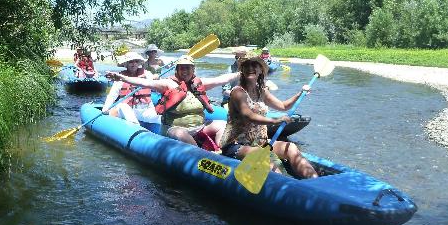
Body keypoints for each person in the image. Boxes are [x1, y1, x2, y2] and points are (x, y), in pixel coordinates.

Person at [219, 52, 318, 179]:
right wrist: (275, 121)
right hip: (236, 145)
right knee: (262, 154)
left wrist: (300, 93)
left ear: (261, 69)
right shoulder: (238, 92)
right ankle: (286, 186)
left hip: (261, 143)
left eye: (254, 65)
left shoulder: (262, 91)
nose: (250, 68)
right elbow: (248, 115)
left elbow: (283, 106)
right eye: (247, 65)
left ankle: (314, 181)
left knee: (291, 147)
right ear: (242, 69)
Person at [106, 55, 239, 148]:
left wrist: (240, 74)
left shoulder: (200, 83)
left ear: (193, 70)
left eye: (188, 68)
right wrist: (121, 77)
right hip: (174, 129)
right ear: (177, 70)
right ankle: (203, 156)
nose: (185, 71)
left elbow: (221, 79)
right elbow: (144, 82)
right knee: (180, 133)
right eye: (182, 68)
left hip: (199, 127)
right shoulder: (168, 84)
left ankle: (225, 151)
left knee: (222, 124)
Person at [102, 52, 160, 130]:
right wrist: (105, 109)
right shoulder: (120, 77)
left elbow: (155, 80)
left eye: (136, 61)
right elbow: (113, 95)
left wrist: (155, 77)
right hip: (127, 109)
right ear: (126, 64)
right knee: (123, 106)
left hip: (144, 109)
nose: (134, 64)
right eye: (131, 62)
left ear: (139, 63)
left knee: (158, 119)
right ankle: (136, 128)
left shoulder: (146, 74)